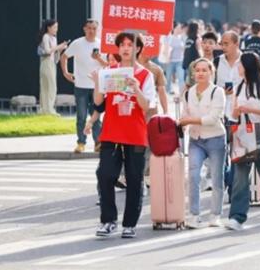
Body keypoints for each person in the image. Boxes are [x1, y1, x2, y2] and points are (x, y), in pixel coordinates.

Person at [92, 32, 156, 239]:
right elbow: (98, 102)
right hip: (111, 131)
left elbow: (147, 107)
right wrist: (97, 82)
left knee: (134, 178)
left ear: (138, 49)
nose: (126, 48)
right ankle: (109, 220)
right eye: (122, 45)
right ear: (118, 49)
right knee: (105, 174)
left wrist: (136, 88)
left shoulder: (146, 75)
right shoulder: (108, 71)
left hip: (135, 133)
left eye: (131, 44)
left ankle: (129, 224)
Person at [227, 52, 260, 231]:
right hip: (243, 135)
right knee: (240, 177)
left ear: (248, 66)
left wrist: (249, 109)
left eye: (240, 65)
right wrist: (236, 112)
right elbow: (233, 113)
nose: (238, 68)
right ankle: (237, 216)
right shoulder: (239, 87)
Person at [179, 58, 227, 227]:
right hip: (196, 139)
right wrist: (183, 124)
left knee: (216, 178)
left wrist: (189, 120)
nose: (200, 73)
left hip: (216, 138)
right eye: (197, 70)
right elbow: (184, 114)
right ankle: (194, 214)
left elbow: (213, 119)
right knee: (193, 176)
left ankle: (215, 214)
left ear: (211, 73)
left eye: (204, 70)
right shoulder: (188, 93)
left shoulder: (217, 92)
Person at [60, 19, 106, 153]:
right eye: (89, 28)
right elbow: (64, 56)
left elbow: (107, 65)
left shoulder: (100, 44)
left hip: (97, 86)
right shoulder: (78, 43)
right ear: (84, 29)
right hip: (80, 85)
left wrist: (98, 58)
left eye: (94, 28)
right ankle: (81, 142)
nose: (91, 31)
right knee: (81, 115)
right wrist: (65, 72)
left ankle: (98, 143)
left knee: (96, 115)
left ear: (97, 30)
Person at [38, 19, 68, 115]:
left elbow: (56, 58)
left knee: (51, 86)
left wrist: (60, 50)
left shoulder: (54, 39)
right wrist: (59, 47)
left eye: (57, 27)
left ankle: (47, 109)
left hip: (52, 64)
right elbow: (47, 51)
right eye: (55, 27)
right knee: (48, 86)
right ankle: (46, 109)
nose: (56, 29)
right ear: (49, 28)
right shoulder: (46, 36)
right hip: (45, 63)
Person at [166, 23, 186, 94]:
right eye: (177, 28)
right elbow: (166, 48)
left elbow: (184, 48)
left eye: (180, 28)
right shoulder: (169, 37)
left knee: (181, 77)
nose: (179, 29)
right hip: (170, 61)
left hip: (180, 60)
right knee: (168, 77)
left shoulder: (182, 37)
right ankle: (168, 90)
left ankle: (182, 92)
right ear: (173, 28)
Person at [182, 21, 202, 91]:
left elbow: (184, 51)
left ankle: (187, 95)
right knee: (194, 81)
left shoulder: (188, 39)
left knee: (188, 81)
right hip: (194, 62)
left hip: (187, 62)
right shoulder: (197, 38)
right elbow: (199, 50)